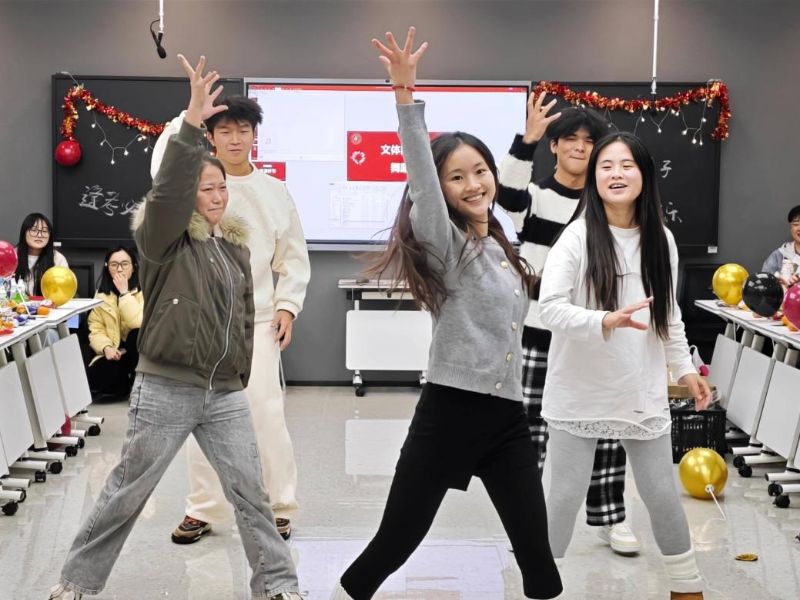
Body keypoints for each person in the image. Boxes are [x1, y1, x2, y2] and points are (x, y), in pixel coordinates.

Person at [48, 55, 301, 600]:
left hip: (225, 386)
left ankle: (279, 586)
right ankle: (74, 584)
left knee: (252, 493)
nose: (216, 195)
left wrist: (244, 363)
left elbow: (248, 308)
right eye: (204, 188)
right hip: (167, 385)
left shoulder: (234, 249)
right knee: (127, 490)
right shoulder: (162, 237)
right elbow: (167, 189)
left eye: (220, 189)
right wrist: (190, 122)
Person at [330, 28, 562, 600]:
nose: (473, 184)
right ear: (441, 189)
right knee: (394, 542)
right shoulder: (446, 243)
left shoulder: (500, 244)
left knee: (538, 556)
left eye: (479, 170)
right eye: (456, 177)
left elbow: (507, 196)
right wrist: (404, 95)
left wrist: (527, 142)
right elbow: (422, 179)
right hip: (450, 413)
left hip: (506, 417)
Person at [538, 130, 712, 600]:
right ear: (594, 178)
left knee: (660, 492)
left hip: (638, 387)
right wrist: (603, 320)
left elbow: (667, 316)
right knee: (564, 496)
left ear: (644, 175)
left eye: (626, 165)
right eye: (606, 166)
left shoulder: (662, 239)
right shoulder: (577, 237)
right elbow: (549, 308)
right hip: (580, 389)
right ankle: (541, 588)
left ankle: (687, 587)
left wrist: (685, 370)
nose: (616, 174)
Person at [151, 80, 310, 546]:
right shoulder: (194, 182)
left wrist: (288, 307)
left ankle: (279, 505)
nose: (235, 139)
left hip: (257, 321)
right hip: (204, 323)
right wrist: (189, 115)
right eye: (225, 130)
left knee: (266, 415)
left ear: (255, 136)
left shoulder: (274, 190)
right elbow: (161, 165)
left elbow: (293, 256)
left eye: (243, 130)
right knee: (201, 416)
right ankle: (203, 508)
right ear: (211, 136)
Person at [496, 95, 641, 555]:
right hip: (540, 331)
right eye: (570, 139)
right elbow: (505, 193)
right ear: (554, 146)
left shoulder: (608, 204)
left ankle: (611, 518)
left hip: (598, 332)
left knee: (608, 424)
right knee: (530, 430)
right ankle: (529, 521)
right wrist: (526, 140)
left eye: (589, 141)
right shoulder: (536, 199)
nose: (580, 147)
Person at [85, 247, 143, 400]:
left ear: (133, 267)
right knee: (99, 382)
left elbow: (136, 323)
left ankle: (136, 383)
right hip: (114, 351)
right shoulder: (101, 295)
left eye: (124, 264)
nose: (119, 269)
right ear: (107, 268)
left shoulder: (144, 291)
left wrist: (124, 293)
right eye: (114, 265)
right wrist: (106, 348)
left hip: (137, 350)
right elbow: (95, 328)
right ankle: (124, 385)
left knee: (135, 334)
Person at [14, 213, 69, 296]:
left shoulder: (57, 259)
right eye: (34, 230)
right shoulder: (12, 256)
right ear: (24, 232)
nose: (39, 235)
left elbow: (64, 290)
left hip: (48, 304)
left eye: (44, 231)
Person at [761, 204, 800, 287]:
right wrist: (779, 286)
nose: (799, 228)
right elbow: (763, 284)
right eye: (796, 224)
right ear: (791, 228)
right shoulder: (778, 256)